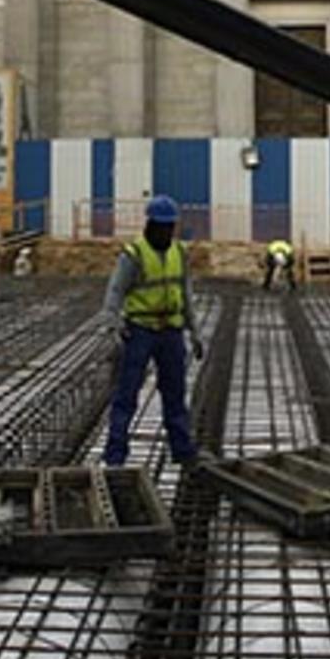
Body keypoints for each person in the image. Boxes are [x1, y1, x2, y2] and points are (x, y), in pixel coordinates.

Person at [102, 195, 202, 468]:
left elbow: (186, 293)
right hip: (140, 331)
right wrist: (112, 326)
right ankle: (115, 454)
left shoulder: (178, 253)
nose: (166, 231)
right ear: (150, 225)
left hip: (171, 330)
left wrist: (195, 331)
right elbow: (115, 291)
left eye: (170, 226)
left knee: (175, 394)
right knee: (126, 394)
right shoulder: (134, 254)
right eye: (161, 226)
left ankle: (182, 450)